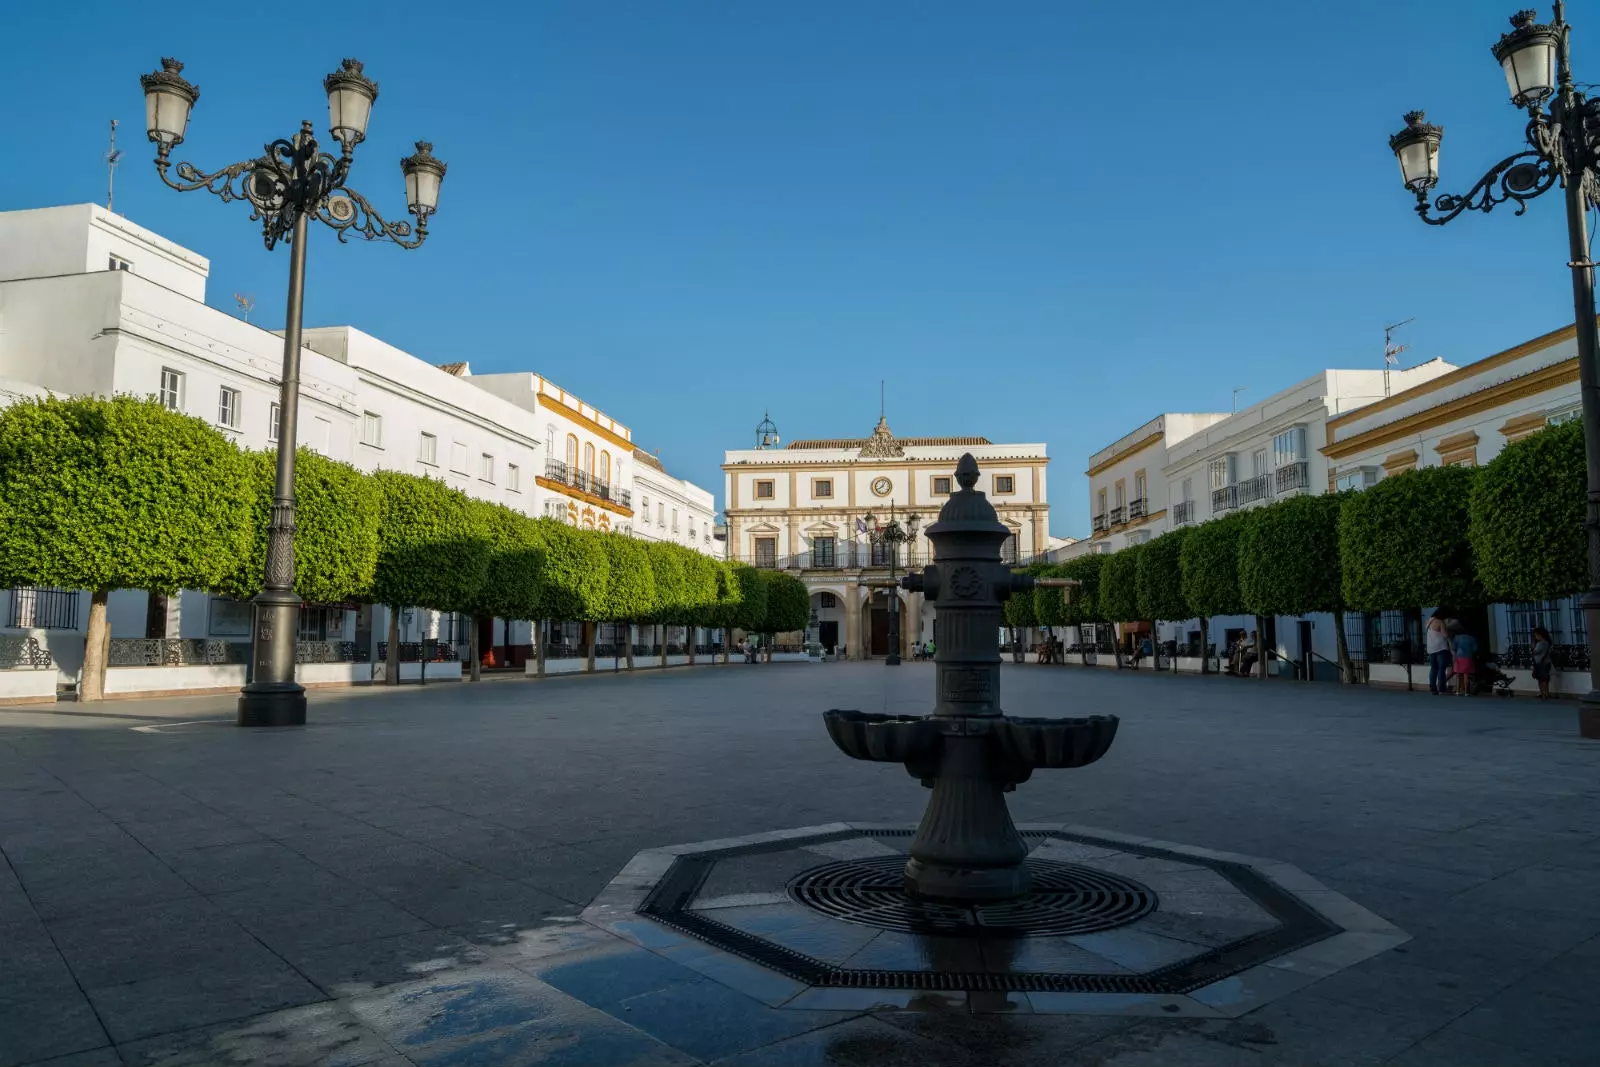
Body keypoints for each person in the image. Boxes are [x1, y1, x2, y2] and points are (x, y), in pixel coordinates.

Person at [1425, 610, 1451, 696]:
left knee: (1433, 668)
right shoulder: (1440, 622)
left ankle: (1433, 688)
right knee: (1441, 668)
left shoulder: (1428, 621)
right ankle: (1441, 688)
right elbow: (1444, 635)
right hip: (1441, 647)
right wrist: (1449, 634)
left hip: (1431, 648)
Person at [1452, 624, 1477, 696]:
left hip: (1458, 657)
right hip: (1468, 657)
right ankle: (1466, 692)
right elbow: (1475, 649)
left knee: (1458, 675)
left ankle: (1457, 691)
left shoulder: (1456, 638)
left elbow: (1453, 648)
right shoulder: (1472, 638)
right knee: (1466, 674)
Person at [1531, 626, 1554, 700]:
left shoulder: (1543, 643)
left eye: (1536, 635)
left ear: (1541, 635)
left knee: (1542, 679)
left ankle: (1544, 693)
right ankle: (1544, 693)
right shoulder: (1546, 643)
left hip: (1542, 663)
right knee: (1542, 679)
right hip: (1542, 662)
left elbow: (1536, 651)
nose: (1536, 637)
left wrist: (1533, 646)